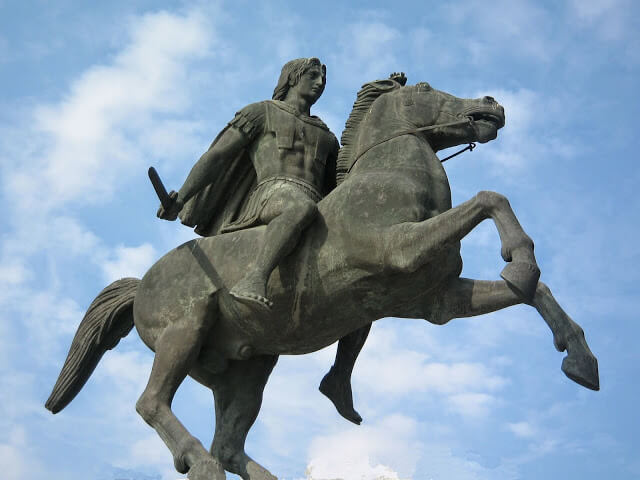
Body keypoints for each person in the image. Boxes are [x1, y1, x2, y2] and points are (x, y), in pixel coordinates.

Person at [157, 57, 368, 424]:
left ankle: (340, 375)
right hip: (272, 194)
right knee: (299, 206)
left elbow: (338, 189)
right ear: (292, 78)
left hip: (312, 207)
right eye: (312, 75)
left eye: (324, 78)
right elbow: (217, 156)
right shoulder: (261, 113)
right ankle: (255, 277)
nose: (320, 82)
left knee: (366, 272)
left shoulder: (327, 136)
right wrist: (183, 196)